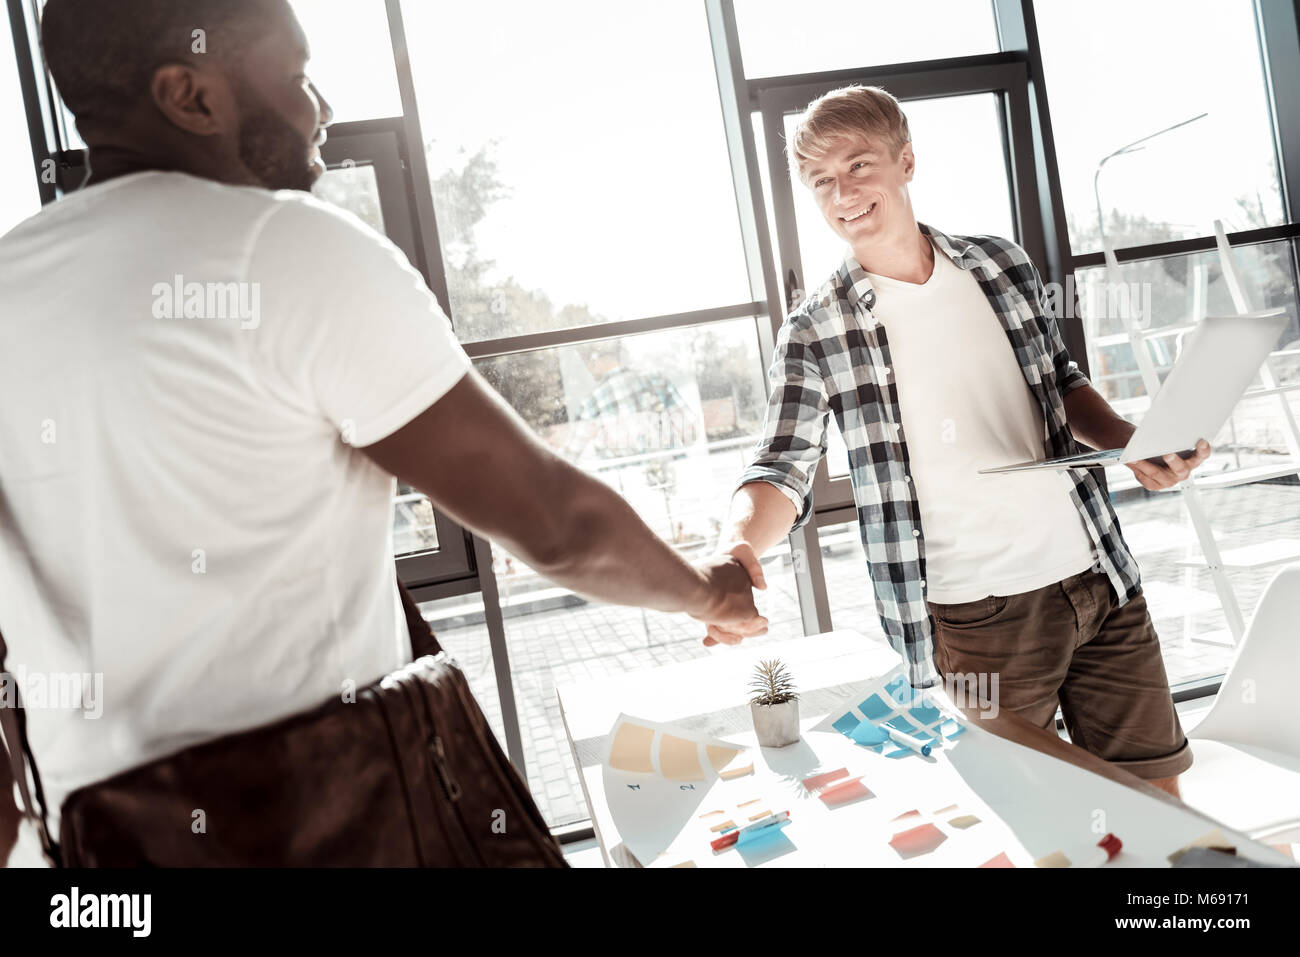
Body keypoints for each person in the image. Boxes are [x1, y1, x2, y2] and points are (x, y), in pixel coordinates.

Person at [0, 0, 765, 866]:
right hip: (335, 822)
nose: (319, 106)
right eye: (292, 77)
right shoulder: (284, 249)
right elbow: (553, 520)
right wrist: (709, 591)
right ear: (189, 95)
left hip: (104, 856)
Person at [702, 85, 1205, 797]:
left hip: (1100, 579)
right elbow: (782, 466)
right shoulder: (816, 328)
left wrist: (1132, 441)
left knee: (1160, 810)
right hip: (982, 618)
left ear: (906, 161)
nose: (842, 192)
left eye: (858, 165)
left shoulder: (1001, 265)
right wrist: (739, 545)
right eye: (821, 181)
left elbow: (1059, 381)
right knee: (1034, 823)